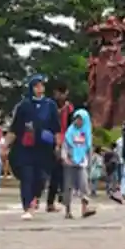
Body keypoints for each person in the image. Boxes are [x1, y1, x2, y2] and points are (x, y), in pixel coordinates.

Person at [2, 75, 61, 220]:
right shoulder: (24, 105)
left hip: (44, 149)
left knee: (41, 178)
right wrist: (5, 146)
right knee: (27, 176)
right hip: (26, 147)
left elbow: (57, 129)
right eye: (36, 86)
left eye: (42, 86)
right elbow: (14, 128)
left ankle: (35, 198)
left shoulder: (50, 105)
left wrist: (58, 145)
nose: (40, 89)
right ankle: (27, 206)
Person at [62, 106, 97, 220]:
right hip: (70, 163)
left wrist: (90, 163)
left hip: (82, 163)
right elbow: (65, 146)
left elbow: (89, 150)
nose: (78, 121)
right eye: (76, 119)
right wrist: (65, 157)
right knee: (68, 187)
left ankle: (84, 209)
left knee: (84, 185)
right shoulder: (70, 132)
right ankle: (68, 210)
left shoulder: (87, 133)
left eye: (81, 119)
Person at [44, 83, 73, 212]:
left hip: (65, 141)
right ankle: (49, 200)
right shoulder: (50, 106)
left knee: (61, 171)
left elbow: (72, 126)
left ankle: (58, 197)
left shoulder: (69, 108)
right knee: (54, 172)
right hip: (51, 140)